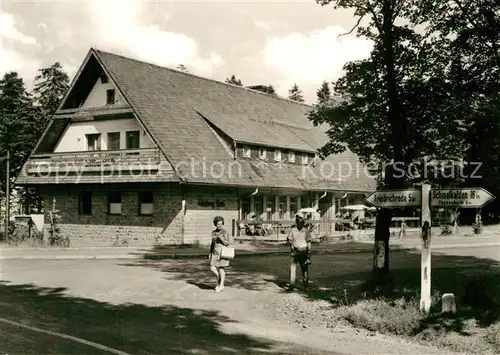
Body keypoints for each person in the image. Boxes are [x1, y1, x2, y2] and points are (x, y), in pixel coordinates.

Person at [286, 213, 312, 290]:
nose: (300, 224)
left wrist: (309, 253)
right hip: (295, 251)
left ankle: (305, 285)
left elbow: (309, 242)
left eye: (302, 223)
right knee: (293, 268)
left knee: (304, 269)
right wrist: (291, 244)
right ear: (296, 223)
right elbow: (289, 239)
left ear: (303, 223)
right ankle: (292, 285)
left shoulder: (306, 231)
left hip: (304, 250)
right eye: (299, 223)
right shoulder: (293, 230)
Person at [209, 216, 232, 292]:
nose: (220, 225)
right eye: (218, 224)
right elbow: (212, 243)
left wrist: (221, 238)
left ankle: (221, 285)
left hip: (222, 252)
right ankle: (219, 277)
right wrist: (210, 253)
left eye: (221, 224)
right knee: (212, 267)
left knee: (221, 269)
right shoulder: (213, 232)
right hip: (215, 252)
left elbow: (228, 243)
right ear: (215, 224)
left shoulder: (225, 232)